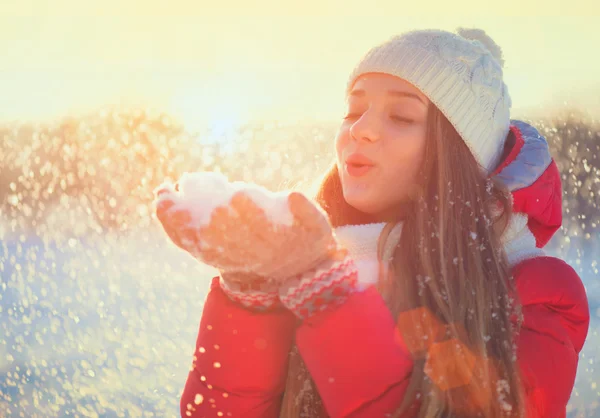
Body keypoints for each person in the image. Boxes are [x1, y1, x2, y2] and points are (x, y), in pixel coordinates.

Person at [155, 28, 590, 417]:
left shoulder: (537, 290)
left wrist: (328, 293)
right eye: (353, 111)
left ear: (457, 157)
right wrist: (248, 290)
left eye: (400, 116)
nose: (360, 130)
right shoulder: (303, 262)